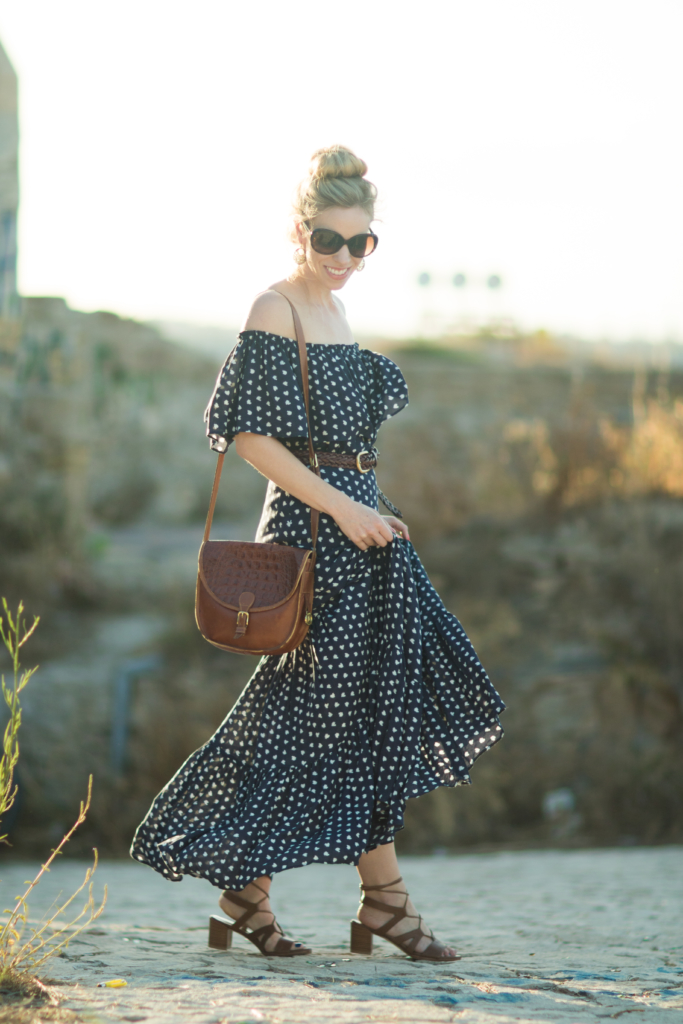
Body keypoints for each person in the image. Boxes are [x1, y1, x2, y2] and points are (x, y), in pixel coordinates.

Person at [131, 145, 505, 962]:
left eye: (359, 243)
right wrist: (342, 507)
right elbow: (252, 439)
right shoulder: (277, 308)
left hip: (366, 530)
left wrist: (372, 512)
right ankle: (381, 904)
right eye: (328, 241)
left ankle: (253, 897)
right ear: (299, 232)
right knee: (338, 718)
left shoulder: (338, 314)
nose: (343, 259)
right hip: (311, 537)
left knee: (362, 713)